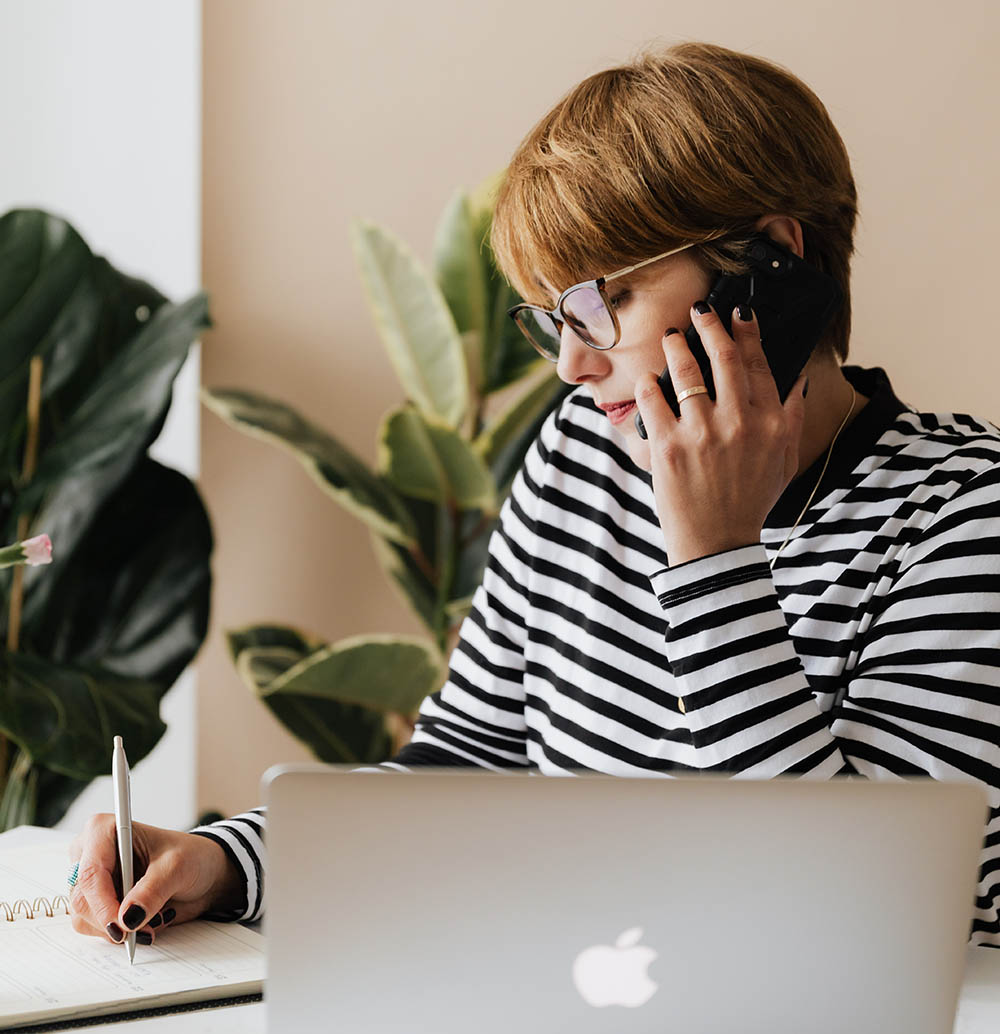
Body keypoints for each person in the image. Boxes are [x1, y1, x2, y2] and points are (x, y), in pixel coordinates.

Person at [68, 41, 1000, 947]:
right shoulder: (583, 456)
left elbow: (861, 923)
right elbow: (465, 767)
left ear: (769, 267)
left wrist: (715, 559)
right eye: (553, 317)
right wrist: (227, 862)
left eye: (606, 303)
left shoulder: (964, 516)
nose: (571, 365)